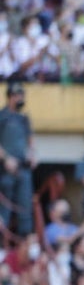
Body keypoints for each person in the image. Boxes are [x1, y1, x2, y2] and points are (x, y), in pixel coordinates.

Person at [0, 82, 36, 240]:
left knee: (25, 208)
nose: (20, 98)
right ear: (10, 97)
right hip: (5, 169)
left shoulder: (24, 118)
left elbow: (30, 141)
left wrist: (32, 154)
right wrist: (6, 158)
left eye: (22, 95)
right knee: (5, 208)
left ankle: (25, 246)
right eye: (17, 95)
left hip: (23, 168)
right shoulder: (2, 116)